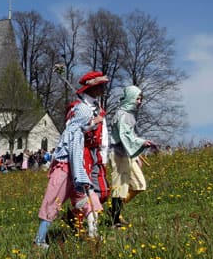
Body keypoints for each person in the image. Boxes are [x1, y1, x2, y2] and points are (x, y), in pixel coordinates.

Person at [33, 109, 94, 247]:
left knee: (83, 200)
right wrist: (82, 177)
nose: (91, 121)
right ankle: (39, 240)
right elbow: (75, 157)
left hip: (72, 174)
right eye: (89, 118)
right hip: (65, 173)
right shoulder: (75, 133)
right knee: (52, 204)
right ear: (83, 119)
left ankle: (93, 232)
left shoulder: (72, 130)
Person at [106, 85, 156, 227]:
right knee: (119, 186)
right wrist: (142, 143)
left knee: (140, 184)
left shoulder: (130, 114)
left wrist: (136, 155)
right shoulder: (122, 115)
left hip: (128, 154)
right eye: (137, 98)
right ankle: (115, 220)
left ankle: (113, 210)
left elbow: (130, 136)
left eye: (140, 99)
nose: (139, 101)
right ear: (130, 98)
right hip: (118, 155)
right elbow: (124, 136)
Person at [69, 71, 110, 239]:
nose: (101, 89)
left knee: (103, 191)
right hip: (83, 151)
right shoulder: (77, 108)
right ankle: (90, 230)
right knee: (87, 191)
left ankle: (74, 216)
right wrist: (91, 125)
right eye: (98, 86)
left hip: (96, 152)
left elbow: (104, 132)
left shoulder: (99, 108)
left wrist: (104, 153)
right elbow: (72, 130)